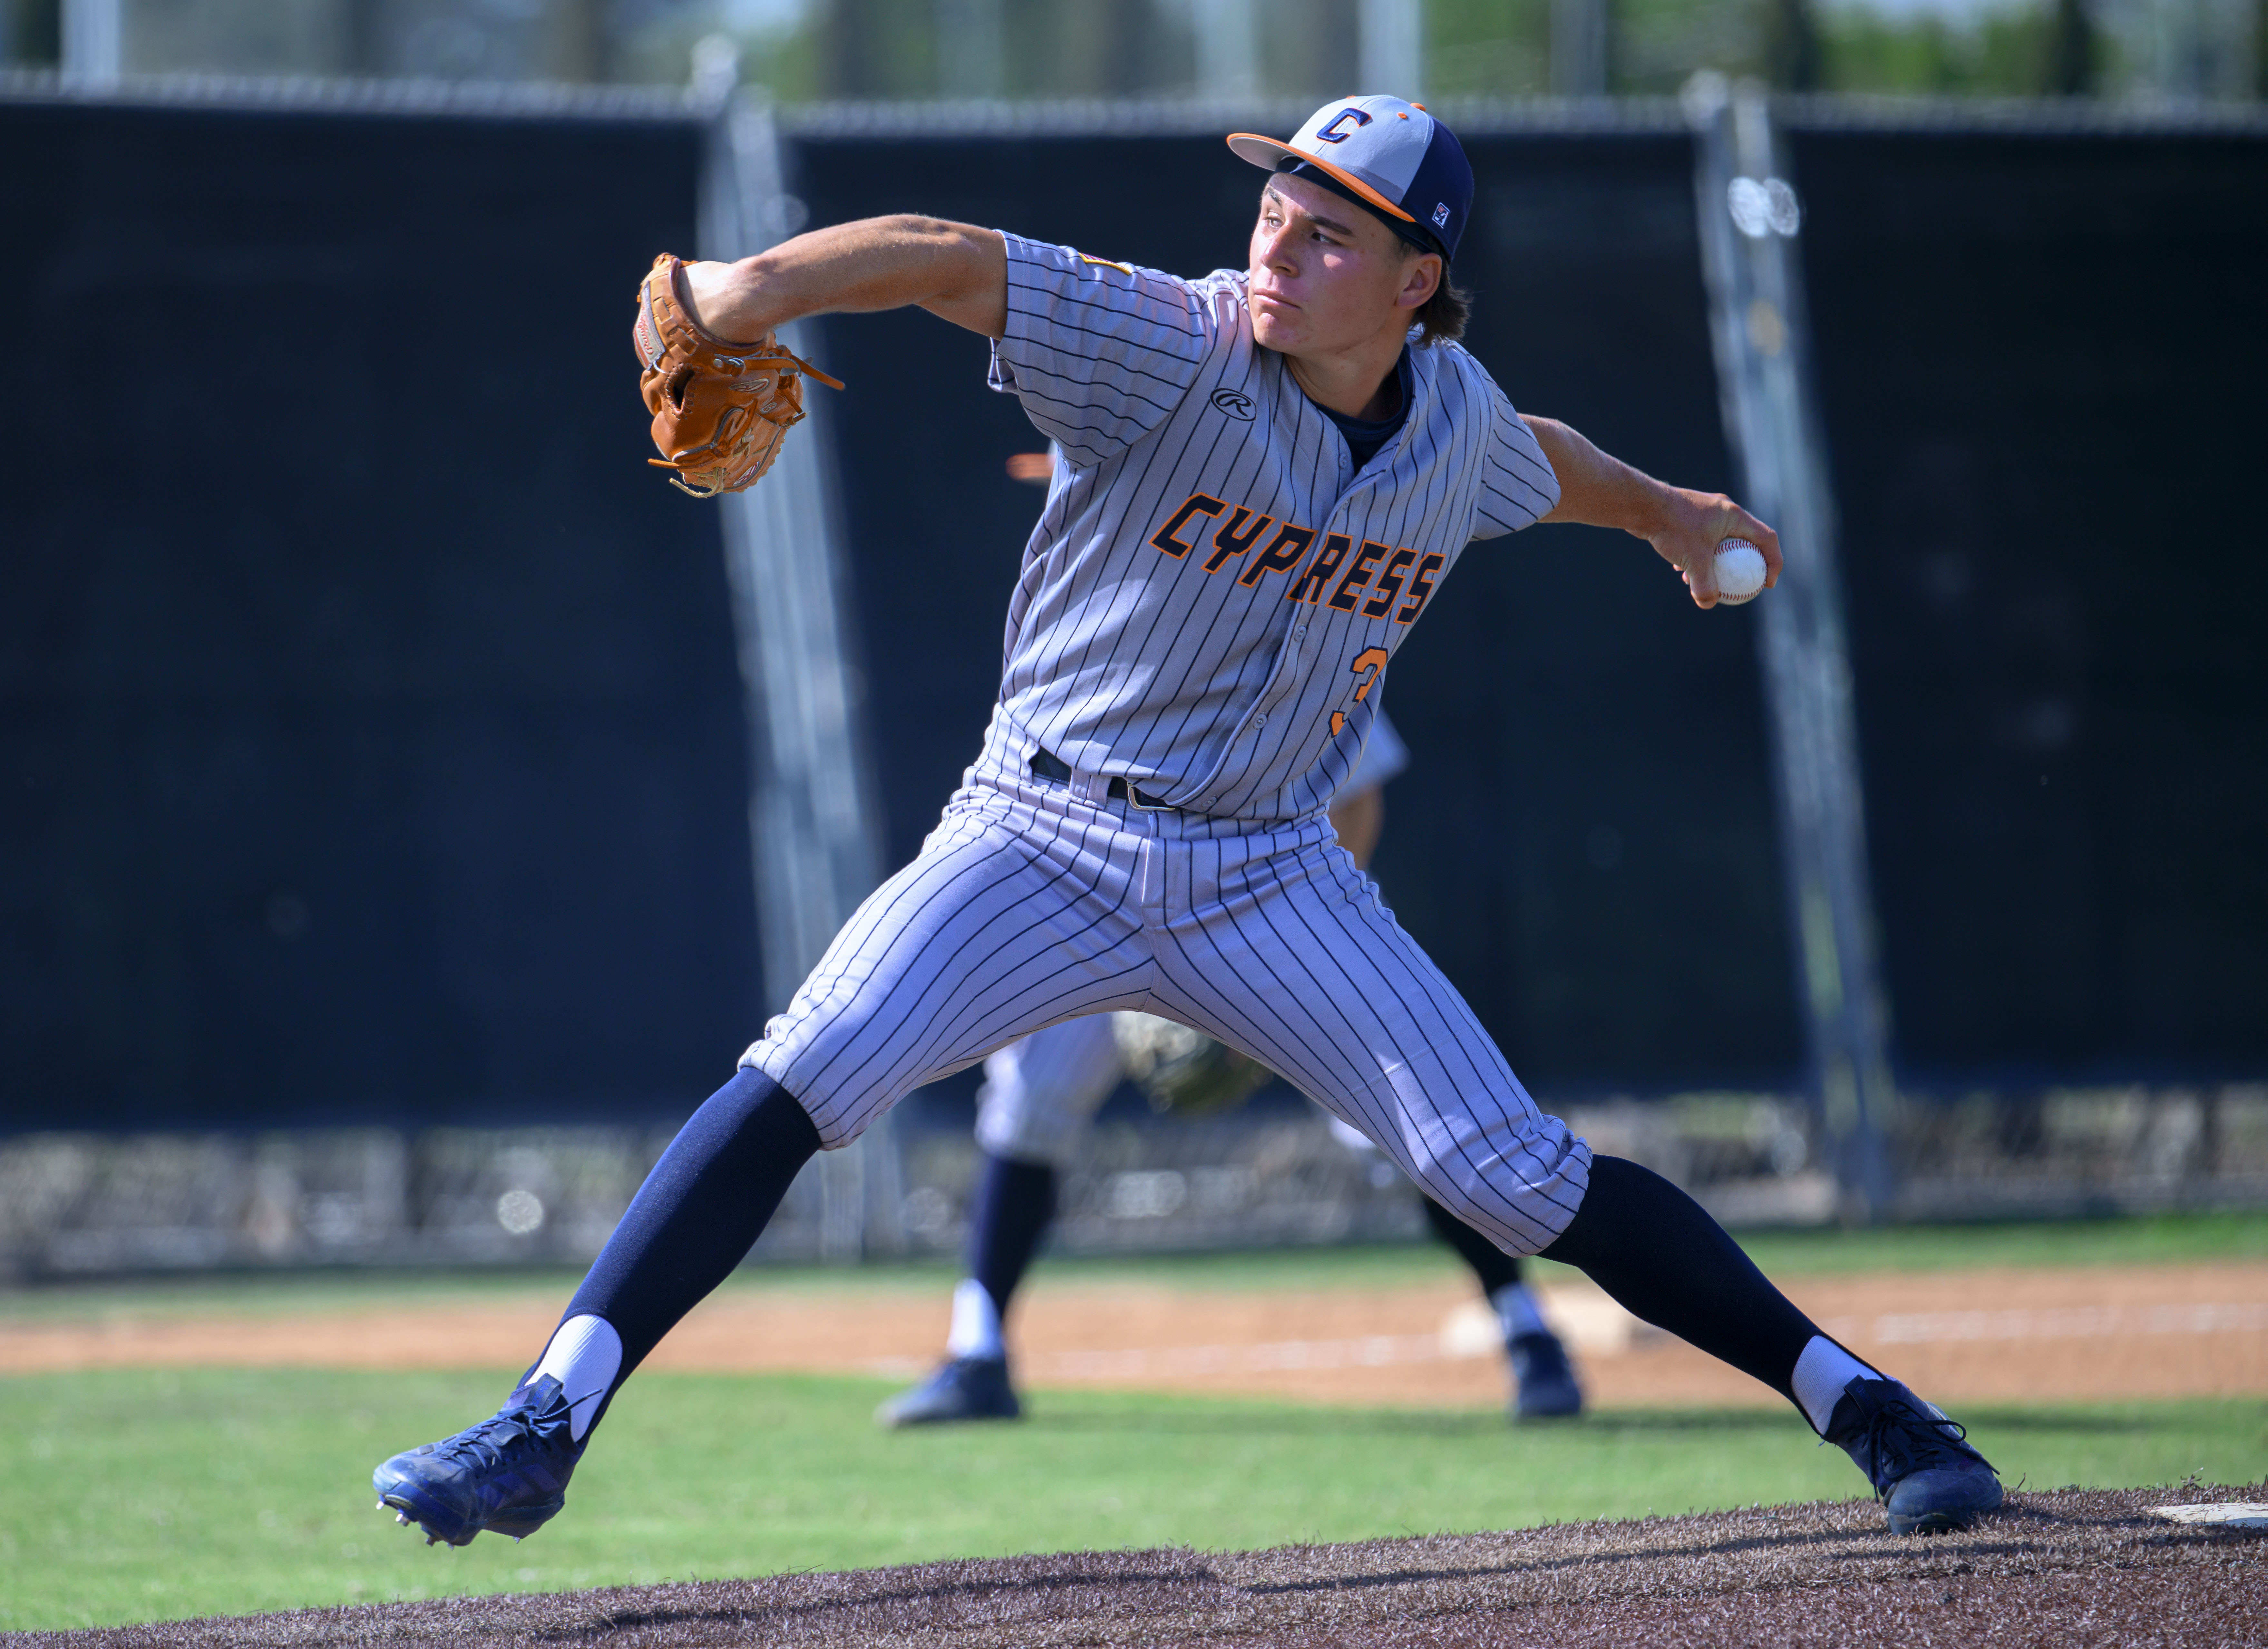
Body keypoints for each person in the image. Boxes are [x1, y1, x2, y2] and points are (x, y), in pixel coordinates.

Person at [373, 95, 2000, 1548]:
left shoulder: (1449, 431)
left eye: (1326, 232)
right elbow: (945, 256)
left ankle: (1865, 1404)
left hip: (1268, 864)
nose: (1278, 246)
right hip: (1039, 832)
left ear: (1414, 278)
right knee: (810, 1062)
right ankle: (541, 1420)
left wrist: (1665, 514)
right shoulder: (1173, 342)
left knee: (1504, 1168)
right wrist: (742, 294)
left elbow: (1534, 463)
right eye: (1272, 212)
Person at [879, 698, 1584, 1427]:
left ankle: (1527, 1329)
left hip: (1263, 910)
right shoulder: (1102, 633)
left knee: (1404, 1125)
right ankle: (977, 1354)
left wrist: (1300, 947)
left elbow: (1358, 794)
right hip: (1100, 902)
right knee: (1030, 1098)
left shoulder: (1297, 619)